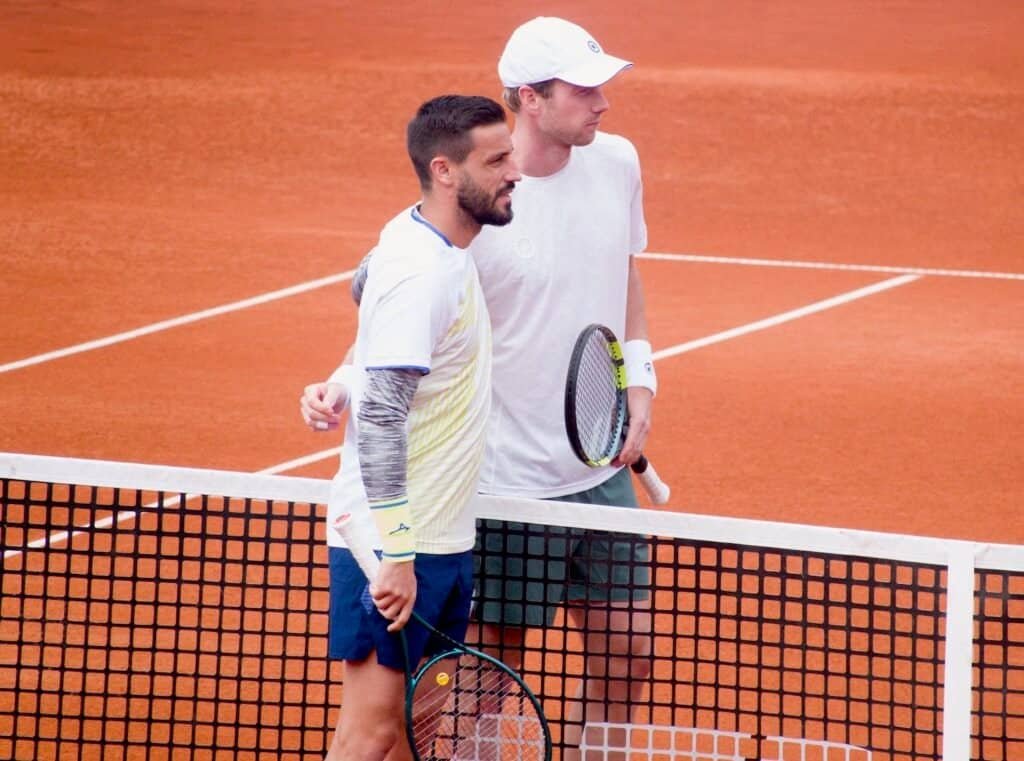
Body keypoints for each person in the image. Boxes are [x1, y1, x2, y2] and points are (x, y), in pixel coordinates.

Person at [300, 94, 520, 761]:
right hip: (399, 544)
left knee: (403, 733)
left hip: (440, 539)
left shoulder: (419, 241)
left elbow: (369, 300)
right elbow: (382, 419)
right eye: (498, 159)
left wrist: (343, 374)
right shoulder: (422, 272)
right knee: (367, 733)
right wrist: (396, 551)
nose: (516, 171)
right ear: (446, 170)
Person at [465, 16, 657, 759]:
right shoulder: (482, 198)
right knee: (490, 669)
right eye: (583, 89)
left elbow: (624, 273)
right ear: (529, 100)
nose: (603, 101)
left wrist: (639, 381)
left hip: (600, 461)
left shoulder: (618, 161)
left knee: (630, 652)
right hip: (511, 477)